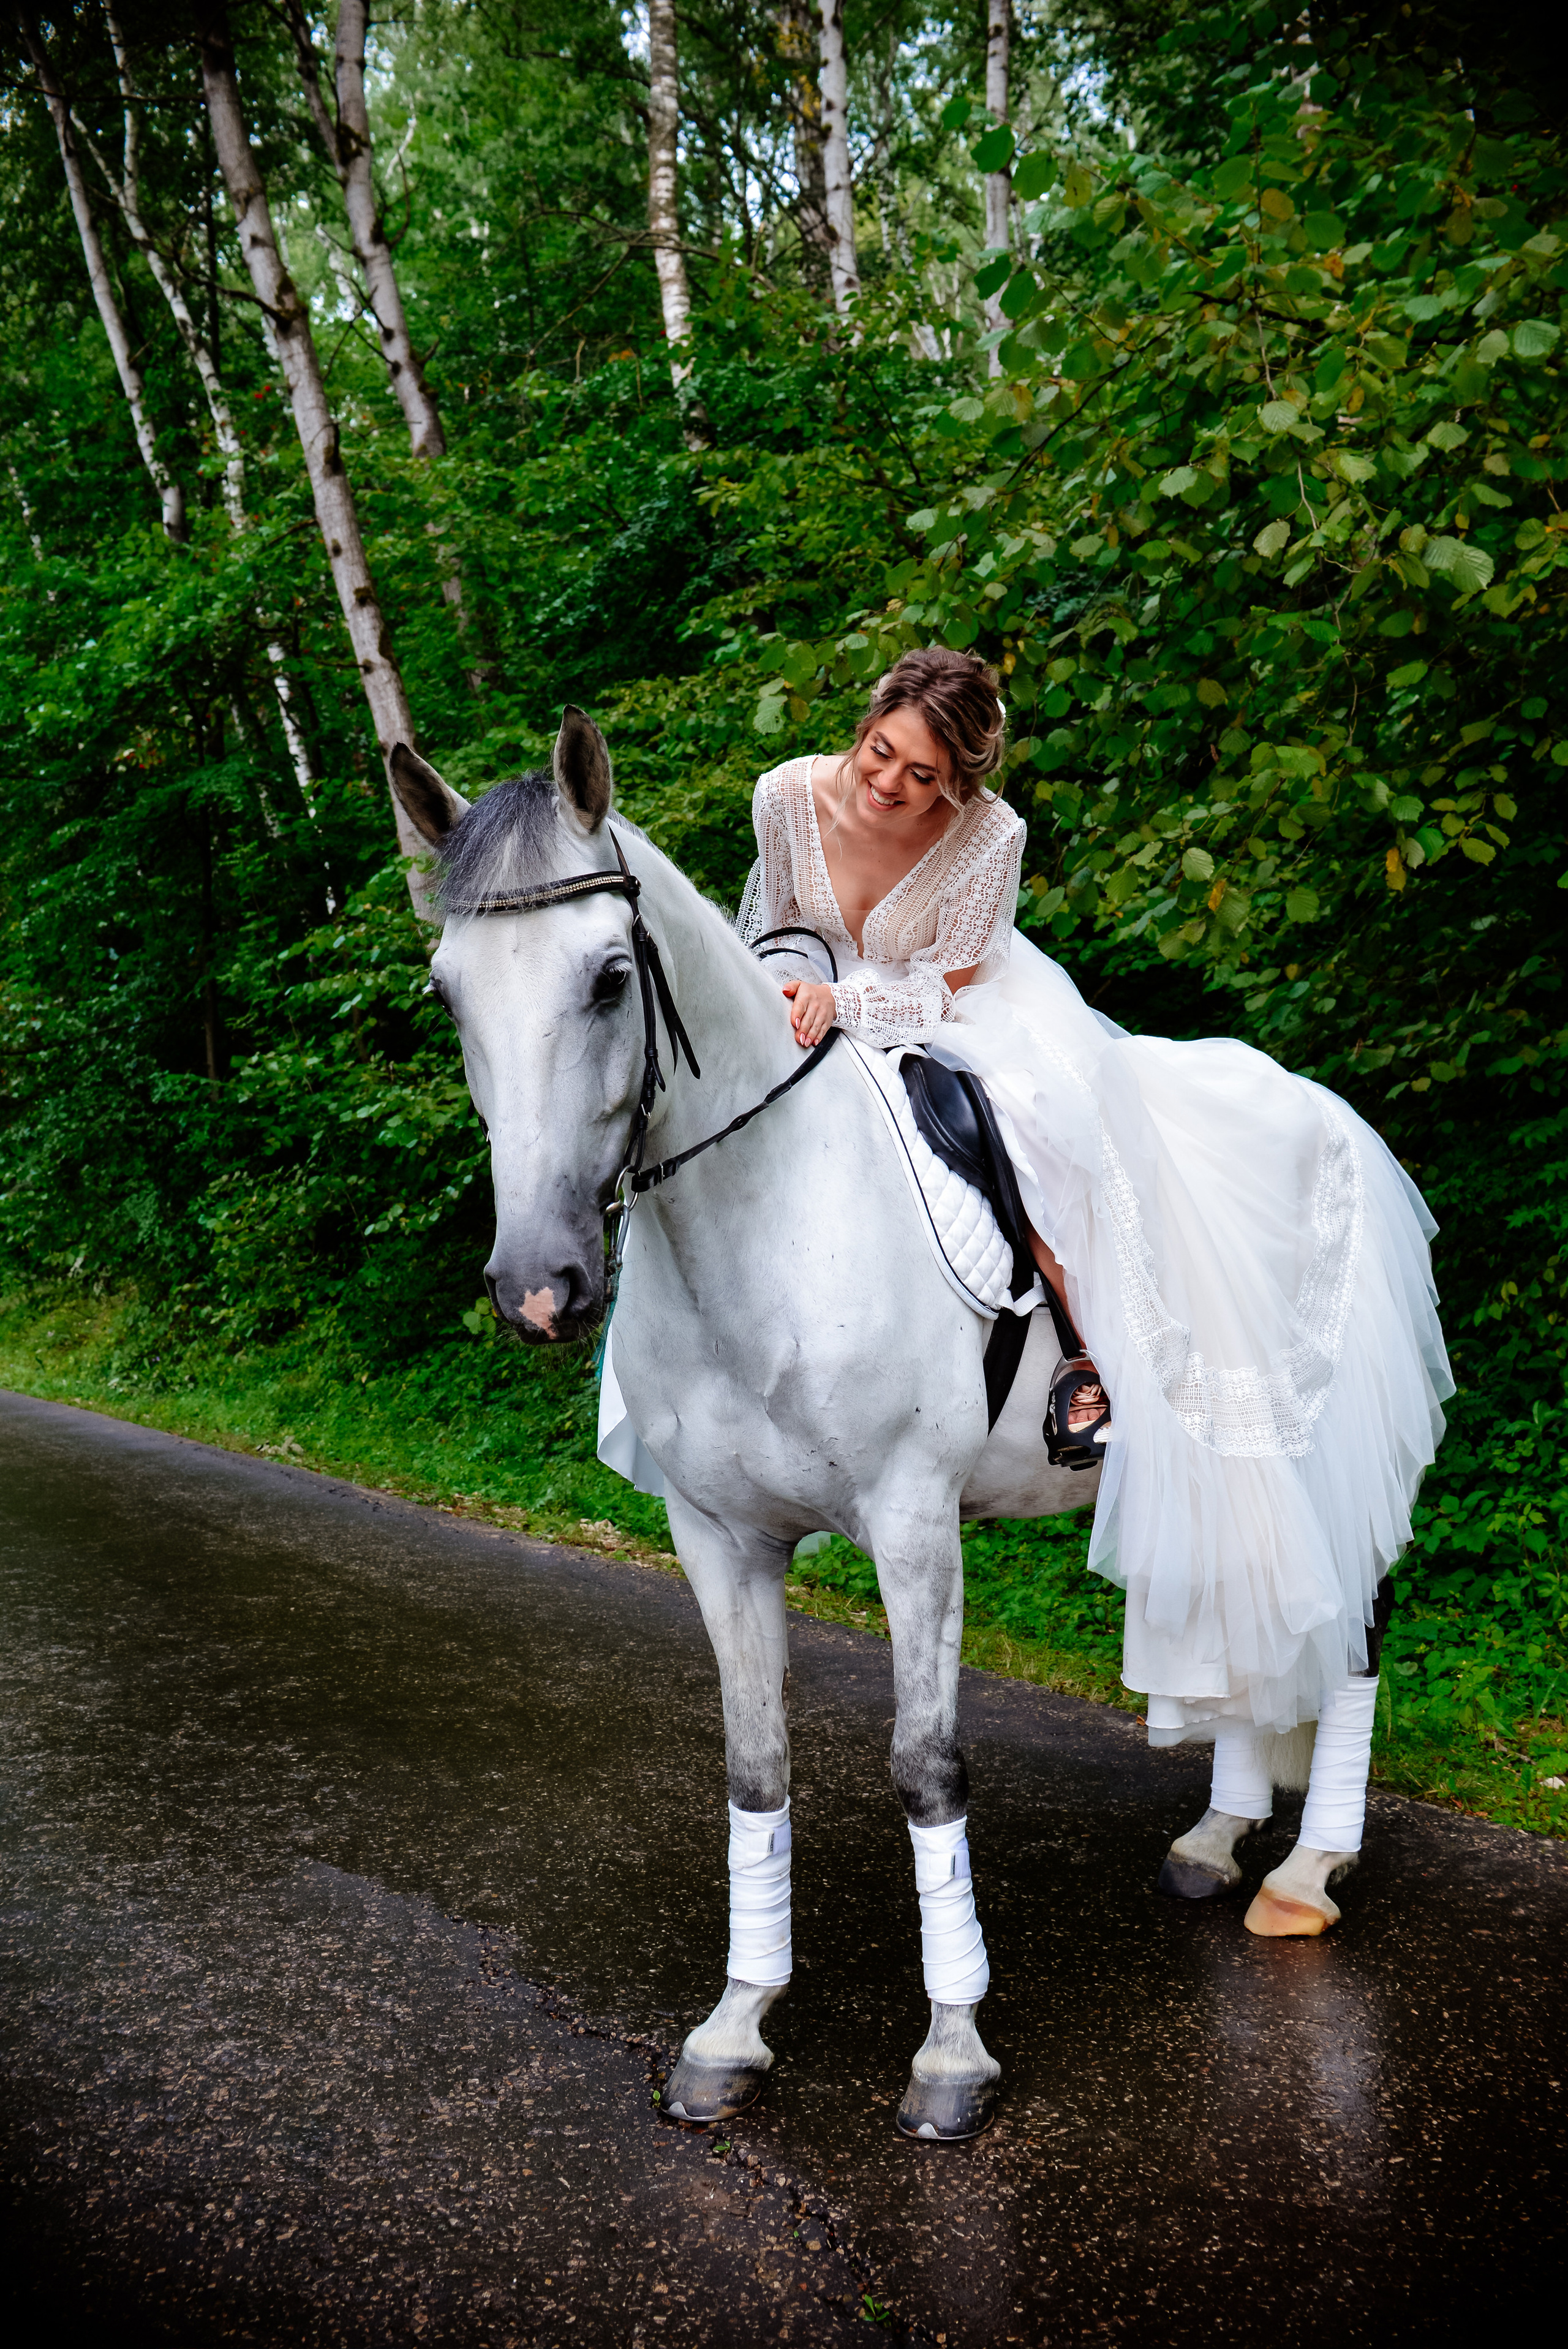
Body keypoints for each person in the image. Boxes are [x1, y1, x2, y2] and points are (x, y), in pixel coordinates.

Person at [739, 646, 1452, 1760]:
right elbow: (772, 919)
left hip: (966, 1008)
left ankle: (1087, 1358)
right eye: (883, 752)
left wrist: (849, 998)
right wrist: (789, 985)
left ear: (958, 786)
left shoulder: (991, 837)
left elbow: (948, 982)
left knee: (1034, 1137)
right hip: (814, 999)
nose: (890, 784)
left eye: (924, 777)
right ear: (866, 722)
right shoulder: (785, 794)